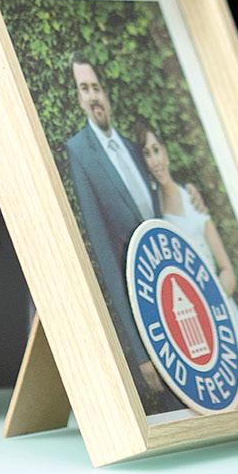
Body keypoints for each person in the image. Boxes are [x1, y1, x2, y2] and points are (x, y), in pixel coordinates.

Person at [60, 55, 178, 412]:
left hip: (171, 296)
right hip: (140, 310)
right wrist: (140, 353)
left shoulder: (131, 147)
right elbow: (104, 254)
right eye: (84, 89)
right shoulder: (79, 152)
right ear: (77, 98)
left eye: (96, 87)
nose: (93, 96)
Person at [134, 120, 238, 397]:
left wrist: (213, 302)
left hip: (221, 310)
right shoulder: (153, 214)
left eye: (156, 150)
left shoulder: (191, 198)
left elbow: (226, 269)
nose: (154, 161)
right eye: (146, 155)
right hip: (192, 323)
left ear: (166, 152)